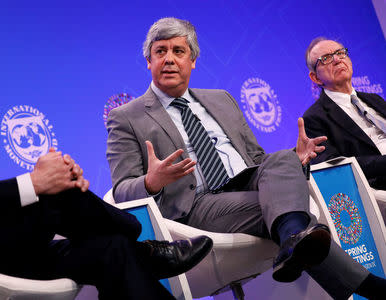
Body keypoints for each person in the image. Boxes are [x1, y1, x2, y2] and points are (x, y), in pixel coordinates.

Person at [106, 17, 386, 299]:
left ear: (192, 61)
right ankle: (359, 280)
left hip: (248, 182)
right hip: (197, 204)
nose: (169, 59)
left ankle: (296, 241)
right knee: (291, 211)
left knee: (282, 159)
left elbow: (257, 158)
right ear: (148, 61)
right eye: (160, 51)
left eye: (178, 51)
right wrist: (152, 182)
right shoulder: (127, 117)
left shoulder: (221, 98)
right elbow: (122, 190)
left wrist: (296, 157)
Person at [0, 61, 213, 300]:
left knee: (113, 248)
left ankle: (140, 249)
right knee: (51, 192)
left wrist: (44, 177)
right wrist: (37, 183)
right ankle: (145, 245)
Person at [302, 37, 386, 221]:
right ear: (315, 77)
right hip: (379, 183)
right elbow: (336, 166)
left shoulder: (375, 100)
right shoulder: (314, 119)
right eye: (326, 58)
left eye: (340, 53)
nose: (337, 59)